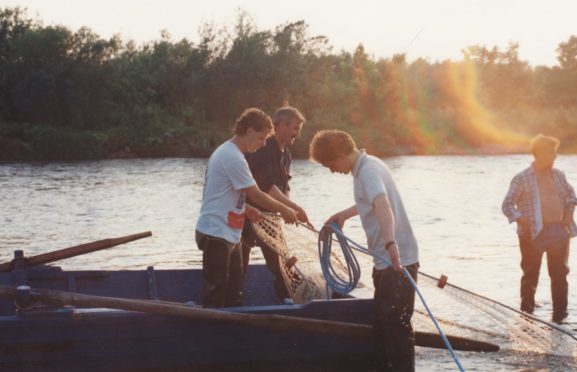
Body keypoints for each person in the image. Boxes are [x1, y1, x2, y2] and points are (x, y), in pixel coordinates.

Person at [309, 129, 419, 371]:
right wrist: (344, 215)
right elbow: (368, 201)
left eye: (330, 164)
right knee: (382, 326)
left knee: (396, 328)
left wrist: (390, 244)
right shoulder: (367, 166)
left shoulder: (368, 171)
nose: (332, 170)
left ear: (340, 154)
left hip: (396, 261)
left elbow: (382, 203)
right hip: (385, 262)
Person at [195, 108, 298, 308]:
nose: (262, 144)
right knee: (216, 295)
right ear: (249, 131)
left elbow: (230, 194)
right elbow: (257, 193)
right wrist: (285, 210)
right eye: (261, 138)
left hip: (229, 234)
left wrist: (248, 210)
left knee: (235, 294)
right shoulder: (232, 156)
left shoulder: (234, 154)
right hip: (216, 234)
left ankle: (231, 333)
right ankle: (213, 334)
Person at [502, 134, 577, 323]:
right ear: (540, 154)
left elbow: (570, 195)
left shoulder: (558, 175)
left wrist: (569, 210)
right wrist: (521, 219)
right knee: (530, 277)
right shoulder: (522, 178)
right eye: (552, 152)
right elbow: (507, 205)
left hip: (560, 232)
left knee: (560, 276)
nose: (555, 156)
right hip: (532, 234)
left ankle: (560, 319)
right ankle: (527, 318)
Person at [242, 106, 312, 302]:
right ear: (280, 125)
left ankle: (287, 301)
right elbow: (267, 187)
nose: (297, 134)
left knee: (281, 263)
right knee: (240, 263)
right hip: (248, 214)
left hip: (271, 218)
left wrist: (291, 209)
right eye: (295, 128)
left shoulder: (286, 154)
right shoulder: (262, 147)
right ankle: (234, 304)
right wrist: (293, 209)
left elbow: (283, 187)